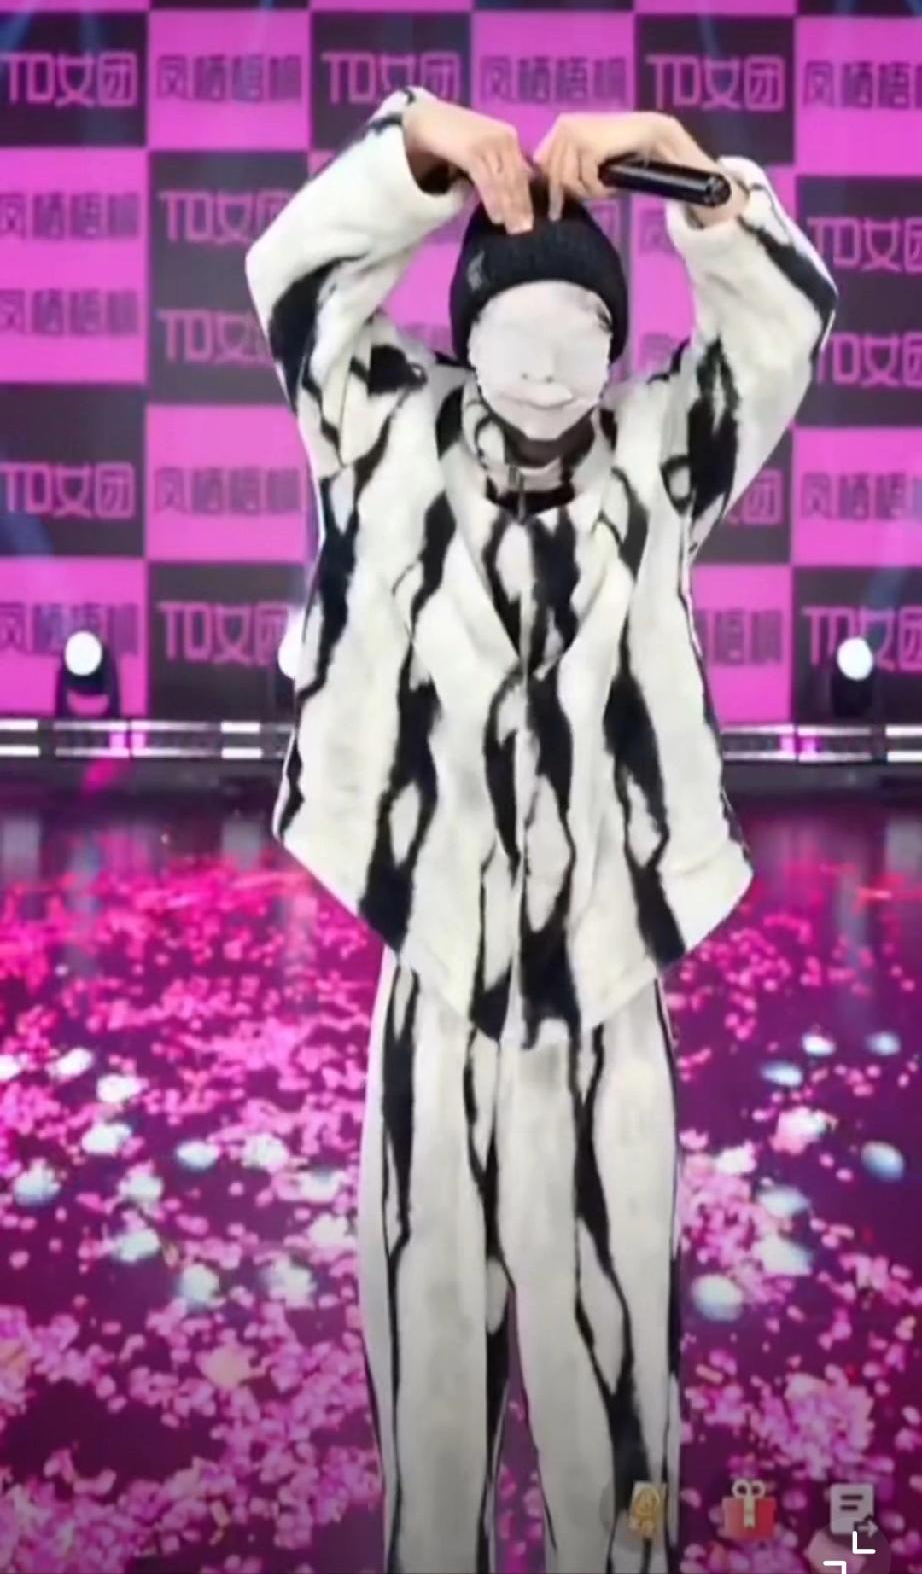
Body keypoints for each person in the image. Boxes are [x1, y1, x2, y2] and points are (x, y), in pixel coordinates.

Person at [245, 90, 837, 1574]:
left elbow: (777, 334)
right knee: (429, 1403)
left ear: (613, 340)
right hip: (433, 983)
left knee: (619, 1413)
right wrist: (418, 154)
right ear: (468, 329)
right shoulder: (389, 442)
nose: (546, 355)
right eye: (517, 320)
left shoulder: (656, 461)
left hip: (603, 996)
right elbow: (293, 282)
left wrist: (686, 171)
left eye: (581, 323)